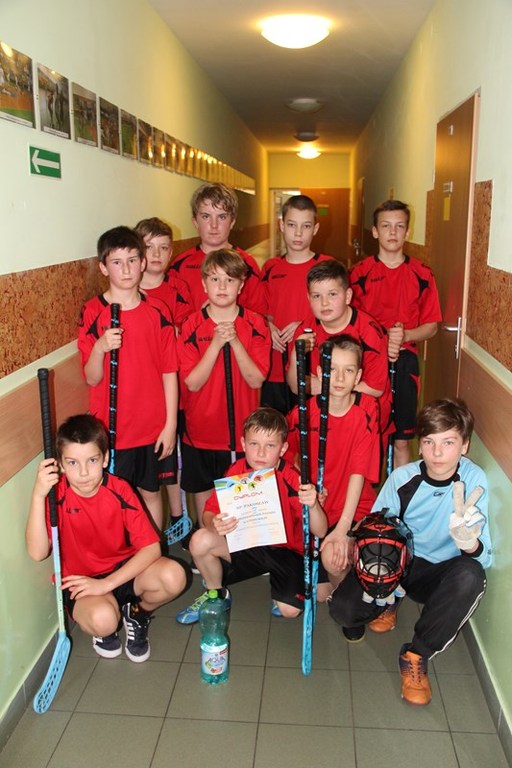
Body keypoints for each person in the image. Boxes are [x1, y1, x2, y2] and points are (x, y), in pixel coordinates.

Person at [327, 398, 492, 706]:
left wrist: (469, 542)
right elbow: (374, 532)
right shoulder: (403, 478)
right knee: (343, 610)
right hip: (402, 564)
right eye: (429, 442)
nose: (438, 453)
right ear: (420, 445)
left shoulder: (474, 481)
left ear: (465, 445)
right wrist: (380, 571)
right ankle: (391, 597)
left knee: (471, 575)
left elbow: (485, 558)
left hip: (441, 573)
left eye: (448, 442)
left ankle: (416, 654)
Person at [26, 414, 186, 662]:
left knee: (174, 576)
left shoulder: (119, 489)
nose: (83, 473)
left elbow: (151, 548)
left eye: (92, 460)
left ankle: (138, 612)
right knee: (104, 621)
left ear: (105, 459)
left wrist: (106, 584)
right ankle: (106, 627)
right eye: (72, 463)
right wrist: (38, 495)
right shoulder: (56, 496)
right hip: (81, 581)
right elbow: (37, 553)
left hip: (122, 572)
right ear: (60, 464)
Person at [175, 407, 328, 624]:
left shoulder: (293, 478)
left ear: (283, 448)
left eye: (270, 445)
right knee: (200, 540)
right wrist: (213, 523)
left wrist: (313, 505)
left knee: (290, 611)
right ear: (244, 444)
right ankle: (216, 594)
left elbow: (320, 531)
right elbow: (209, 511)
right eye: (254, 444)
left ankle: (284, 587)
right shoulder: (236, 470)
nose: (261, 453)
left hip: (285, 551)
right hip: (247, 545)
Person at [77, 225, 179, 530]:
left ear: (143, 262)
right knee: (115, 499)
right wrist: (100, 347)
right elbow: (91, 378)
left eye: (132, 260)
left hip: (152, 428)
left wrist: (170, 425)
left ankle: (153, 552)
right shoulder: (92, 312)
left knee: (150, 494)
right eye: (117, 262)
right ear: (103, 267)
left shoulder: (158, 310)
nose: (126, 269)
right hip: (111, 430)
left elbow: (169, 371)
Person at [178, 248, 271, 528]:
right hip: (201, 434)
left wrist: (235, 342)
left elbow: (256, 379)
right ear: (204, 284)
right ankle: (208, 546)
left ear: (241, 285)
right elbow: (192, 382)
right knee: (208, 511)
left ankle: (243, 550)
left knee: (243, 512)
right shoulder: (191, 325)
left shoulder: (255, 323)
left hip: (243, 435)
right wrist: (216, 344)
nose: (222, 286)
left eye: (229, 280)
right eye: (214, 279)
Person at [350, 199, 442, 467]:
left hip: (405, 363)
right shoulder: (358, 274)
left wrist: (405, 336)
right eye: (386, 226)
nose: (393, 232)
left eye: (399, 226)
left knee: (402, 439)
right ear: (375, 231)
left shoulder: (422, 274)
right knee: (366, 434)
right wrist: (380, 342)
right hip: (369, 363)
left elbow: (432, 325)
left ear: (407, 231)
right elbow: (350, 322)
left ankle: (400, 492)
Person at [285, 336, 379, 597]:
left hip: (353, 507)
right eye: (332, 369)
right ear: (319, 372)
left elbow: (358, 473)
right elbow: (287, 456)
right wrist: (306, 482)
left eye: (348, 371)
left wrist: (343, 529)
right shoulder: (303, 412)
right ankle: (343, 585)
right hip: (318, 509)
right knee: (318, 594)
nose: (338, 378)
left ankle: (348, 599)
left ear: (358, 376)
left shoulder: (367, 409)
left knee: (334, 558)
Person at [287, 259, 391, 453]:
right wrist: (296, 353)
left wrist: (325, 386)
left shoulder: (369, 332)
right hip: (325, 416)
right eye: (316, 296)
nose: (324, 303)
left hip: (364, 417)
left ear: (348, 296)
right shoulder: (305, 330)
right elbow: (295, 386)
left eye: (332, 294)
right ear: (308, 298)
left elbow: (376, 388)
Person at [261, 194, 332, 414]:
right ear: (282, 225)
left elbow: (339, 314)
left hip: (312, 367)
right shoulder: (270, 268)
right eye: (292, 225)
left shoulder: (327, 266)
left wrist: (304, 325)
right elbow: (262, 312)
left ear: (315, 229)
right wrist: (268, 327)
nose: (298, 233)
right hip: (274, 366)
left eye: (306, 226)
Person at [169, 182, 265, 314]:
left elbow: (259, 315)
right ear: (195, 222)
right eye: (206, 216)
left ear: (232, 222)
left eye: (222, 217)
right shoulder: (179, 266)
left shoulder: (247, 264)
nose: (214, 225)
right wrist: (201, 320)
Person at [135, 216, 191, 329]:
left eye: (163, 248)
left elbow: (186, 329)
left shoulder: (179, 288)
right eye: (148, 247)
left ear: (170, 254)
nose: (157, 254)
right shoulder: (127, 289)